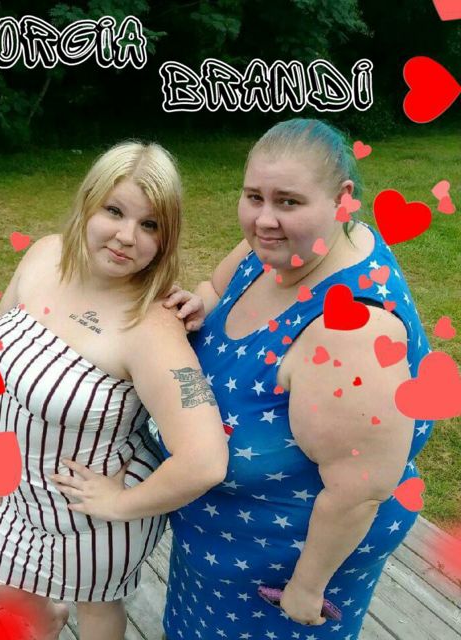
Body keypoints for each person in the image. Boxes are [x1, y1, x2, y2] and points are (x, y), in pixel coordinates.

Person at [59, 119, 433, 640]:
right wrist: (199, 304)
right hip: (220, 554)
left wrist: (306, 587)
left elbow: (360, 492)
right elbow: (218, 287)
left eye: (288, 202)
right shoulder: (284, 249)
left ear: (342, 200)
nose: (264, 219)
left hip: (278, 583)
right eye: (254, 196)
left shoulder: (350, 337)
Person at [0, 141, 228, 640]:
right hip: (21, 491)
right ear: (88, 204)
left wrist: (118, 505)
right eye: (114, 211)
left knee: (96, 607)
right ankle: (48, 619)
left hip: (93, 512)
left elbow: (206, 460)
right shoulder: (44, 255)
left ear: (165, 239)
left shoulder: (152, 327)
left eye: (149, 224)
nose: (126, 237)